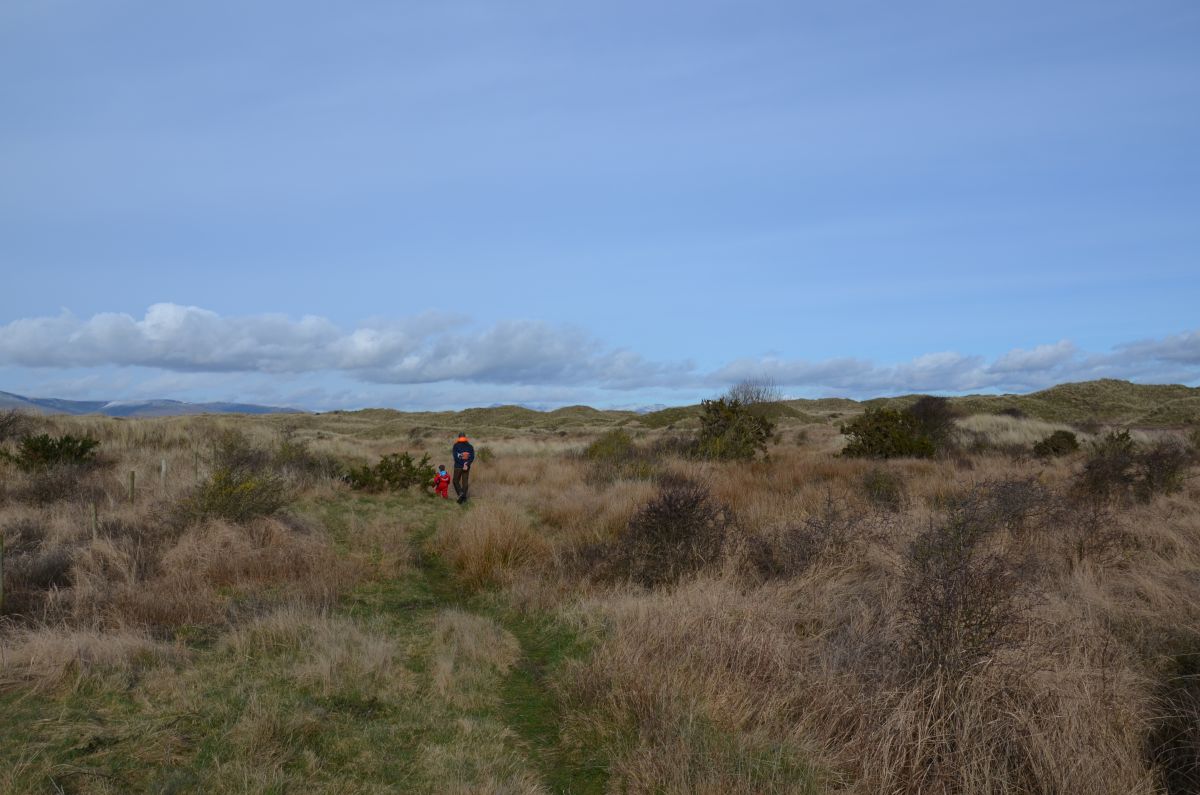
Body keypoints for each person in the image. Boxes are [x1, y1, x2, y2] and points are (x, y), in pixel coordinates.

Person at [452, 433, 475, 504]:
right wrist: (466, 464)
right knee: (465, 482)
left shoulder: (456, 446)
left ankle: (461, 494)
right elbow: (472, 457)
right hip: (466, 467)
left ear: (459, 437)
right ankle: (464, 498)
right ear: (465, 437)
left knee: (455, 481)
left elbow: (455, 457)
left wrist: (462, 464)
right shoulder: (470, 446)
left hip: (458, 466)